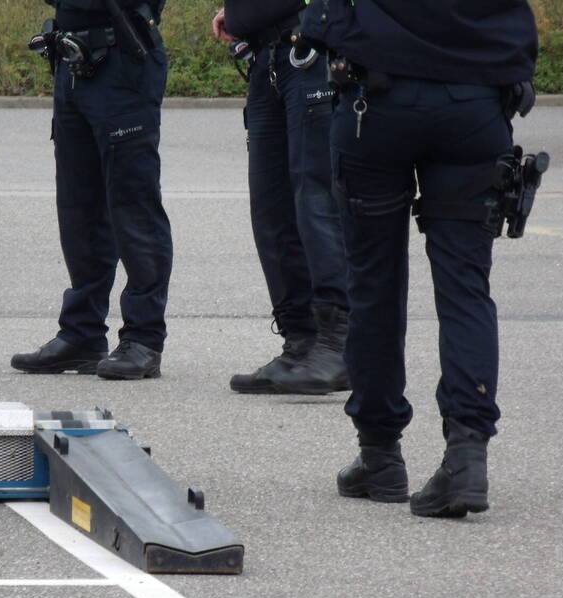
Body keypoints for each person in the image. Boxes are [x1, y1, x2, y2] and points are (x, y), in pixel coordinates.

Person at [297, 0, 540, 517]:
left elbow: (319, 21)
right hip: (474, 110)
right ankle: (467, 451)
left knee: (374, 284)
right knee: (466, 286)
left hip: (377, 109)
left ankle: (380, 453)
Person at [12, 0, 171, 380]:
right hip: (72, 58)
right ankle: (81, 335)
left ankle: (143, 338)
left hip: (123, 57)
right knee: (78, 208)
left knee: (134, 207)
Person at [211, 2, 350, 396]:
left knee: (316, 204)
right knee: (271, 211)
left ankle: (336, 345)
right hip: (267, 56)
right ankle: (300, 341)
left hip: (310, 53)